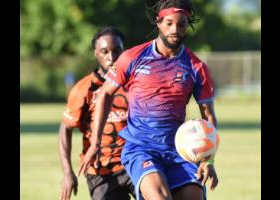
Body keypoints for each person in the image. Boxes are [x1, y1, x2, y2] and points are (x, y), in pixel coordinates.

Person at [78, 0, 219, 200]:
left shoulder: (196, 67)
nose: (175, 30)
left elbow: (209, 117)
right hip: (141, 148)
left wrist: (209, 159)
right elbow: (104, 94)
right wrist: (95, 143)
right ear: (158, 22)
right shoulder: (132, 57)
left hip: (180, 151)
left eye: (182, 24)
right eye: (169, 23)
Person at [58, 26, 135, 200]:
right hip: (101, 170)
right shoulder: (84, 88)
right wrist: (67, 171)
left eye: (117, 51)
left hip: (136, 162)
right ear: (95, 53)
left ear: (124, 51)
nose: (111, 57)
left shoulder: (136, 83)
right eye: (104, 51)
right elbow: (65, 128)